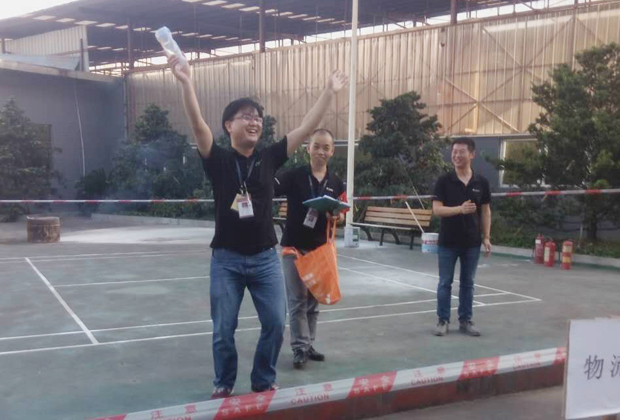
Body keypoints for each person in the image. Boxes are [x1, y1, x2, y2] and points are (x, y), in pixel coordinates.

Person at [168, 55, 348, 398]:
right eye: (246, 116)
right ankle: (224, 382)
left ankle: (263, 380)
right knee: (223, 329)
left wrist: (328, 92)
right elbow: (197, 125)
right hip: (226, 260)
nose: (254, 121)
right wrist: (187, 83)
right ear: (228, 125)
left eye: (258, 117)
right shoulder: (218, 160)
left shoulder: (269, 157)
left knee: (275, 323)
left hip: (265, 259)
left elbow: (305, 128)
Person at [274, 128, 346, 369]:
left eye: (326, 147)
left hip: (319, 249)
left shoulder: (336, 182)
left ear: (332, 151)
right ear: (308, 148)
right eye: (316, 146)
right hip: (293, 247)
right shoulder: (294, 175)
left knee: (314, 301)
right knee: (297, 300)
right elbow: (271, 186)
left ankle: (309, 344)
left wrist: (336, 215)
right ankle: (299, 348)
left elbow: (343, 214)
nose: (321, 151)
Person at [432, 137, 492, 337]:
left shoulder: (481, 182)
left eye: (461, 152)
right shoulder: (444, 181)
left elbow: (485, 211)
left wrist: (486, 237)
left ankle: (465, 321)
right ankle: (443, 321)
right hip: (448, 242)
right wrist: (460, 209)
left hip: (472, 243)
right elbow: (437, 210)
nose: (456, 155)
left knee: (468, 283)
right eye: (454, 152)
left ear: (472, 154)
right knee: (445, 283)